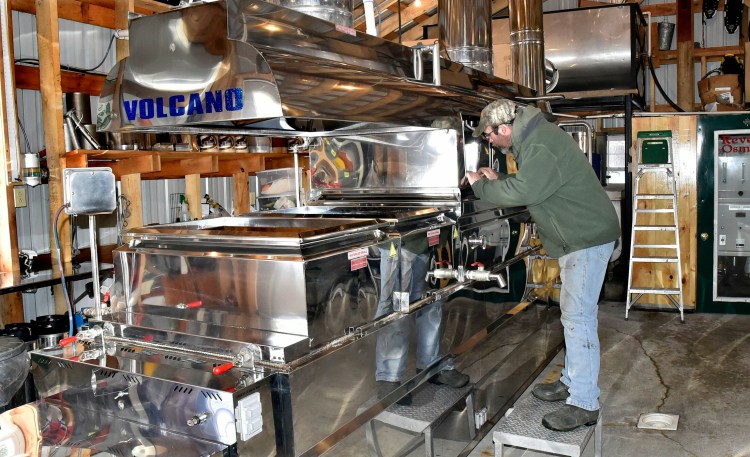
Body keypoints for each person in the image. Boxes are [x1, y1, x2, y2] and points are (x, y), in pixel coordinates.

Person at [465, 99, 620, 432]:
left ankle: (584, 402)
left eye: (489, 135)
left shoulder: (541, 144)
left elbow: (528, 188)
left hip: (586, 239)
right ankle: (571, 380)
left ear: (504, 129)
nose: (488, 140)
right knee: (574, 314)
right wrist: (500, 179)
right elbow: (537, 190)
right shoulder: (533, 141)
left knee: (578, 317)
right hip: (579, 236)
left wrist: (482, 185)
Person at [375, 237, 469, 406]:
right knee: (397, 306)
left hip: (426, 238)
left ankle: (431, 364)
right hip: (399, 239)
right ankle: (388, 378)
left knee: (429, 299)